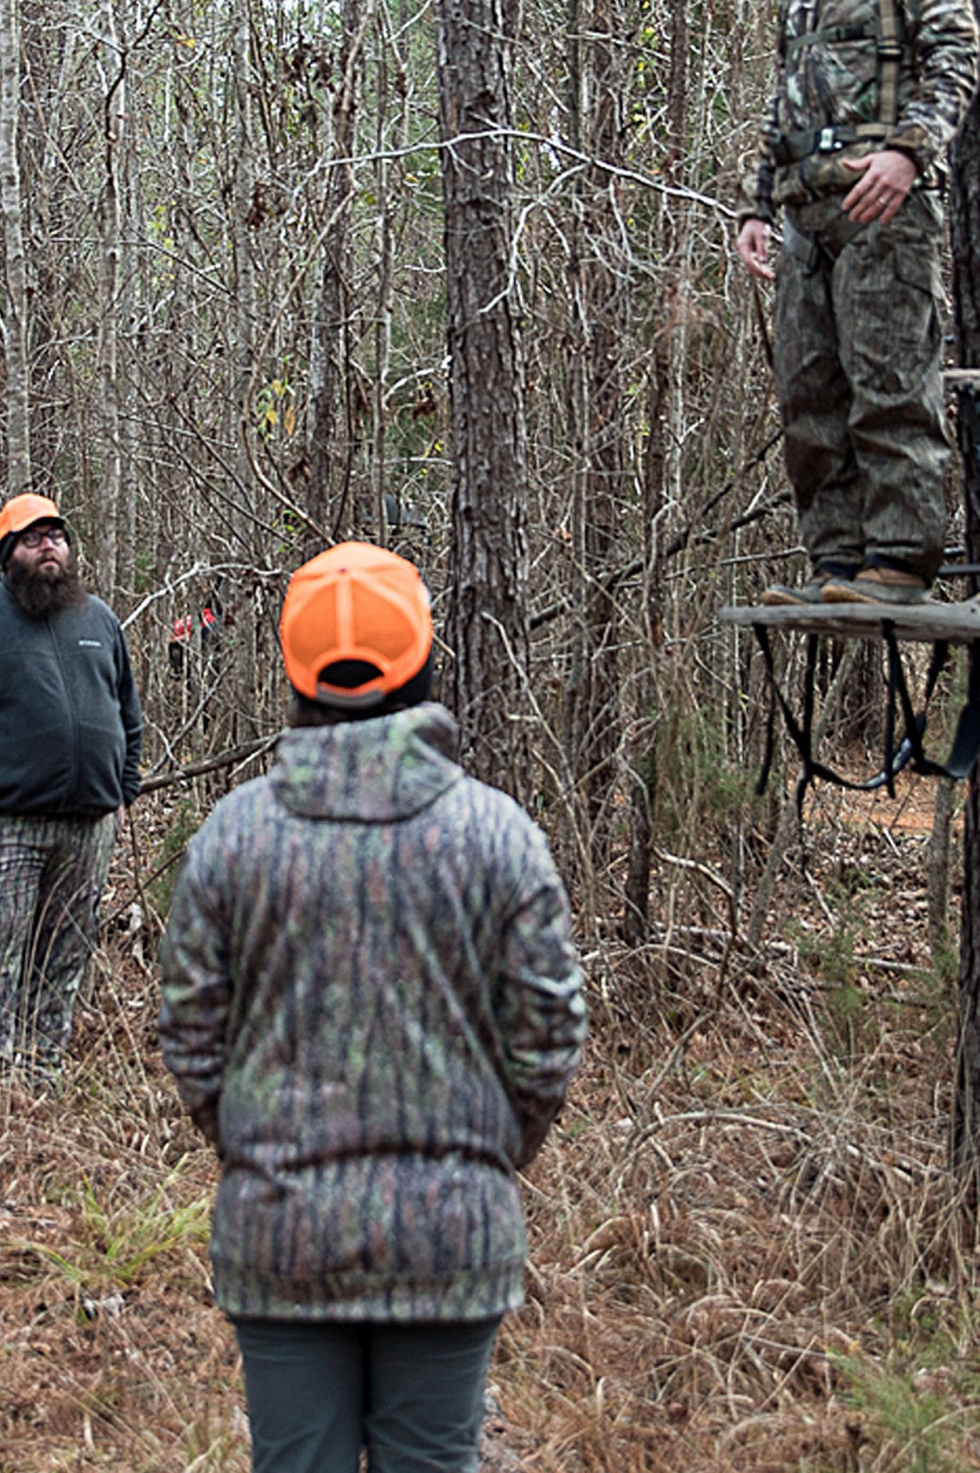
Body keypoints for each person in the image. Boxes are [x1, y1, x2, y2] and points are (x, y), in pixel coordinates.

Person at [157, 542, 587, 1473]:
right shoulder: (496, 835)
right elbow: (550, 1034)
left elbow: (190, 1033)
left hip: (280, 1235)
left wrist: (257, 1149)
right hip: (449, 1238)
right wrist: (481, 1155)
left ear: (293, 669)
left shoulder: (235, 835)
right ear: (424, 660)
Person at [737, 0, 980, 607]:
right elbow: (784, 94)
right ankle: (835, 565)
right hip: (804, 214)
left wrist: (909, 155)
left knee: (889, 385)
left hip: (884, 210)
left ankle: (901, 562)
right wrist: (753, 205)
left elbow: (955, 58)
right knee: (808, 396)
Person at [0, 492, 142, 1085]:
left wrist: (122, 791)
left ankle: (43, 1074)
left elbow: (127, 710)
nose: (48, 546)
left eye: (57, 535)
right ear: (7, 552)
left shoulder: (98, 619)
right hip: (0, 826)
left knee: (62, 959)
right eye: (33, 537)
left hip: (88, 827)